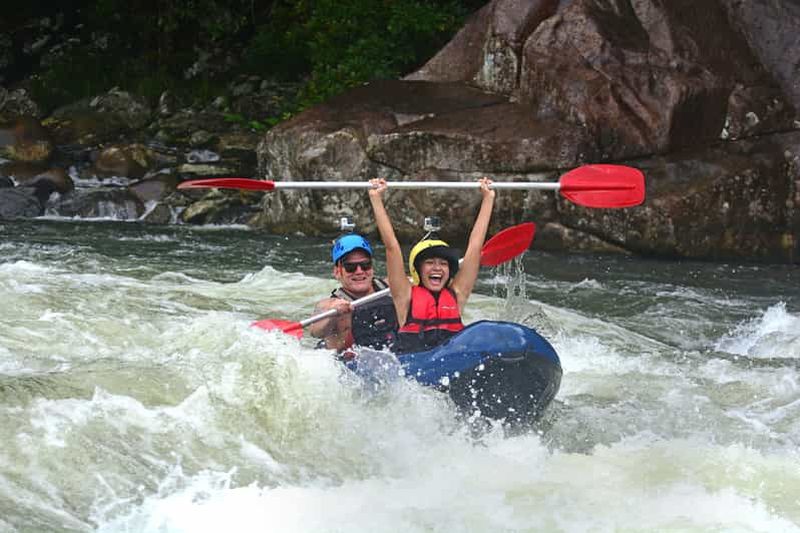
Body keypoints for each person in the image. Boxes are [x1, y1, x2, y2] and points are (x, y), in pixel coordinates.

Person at [368, 177, 496, 354]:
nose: (437, 268)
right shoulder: (404, 296)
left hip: (450, 366)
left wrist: (488, 199)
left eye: (443, 263)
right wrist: (376, 198)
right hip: (413, 371)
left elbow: (475, 247)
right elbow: (392, 247)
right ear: (418, 270)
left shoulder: (457, 294)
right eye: (430, 263)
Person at [308, 233, 398, 354]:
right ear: (337, 272)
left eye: (365, 265)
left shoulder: (391, 287)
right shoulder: (329, 305)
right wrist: (333, 313)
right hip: (349, 363)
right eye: (350, 267)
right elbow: (315, 330)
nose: (359, 271)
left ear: (372, 267)